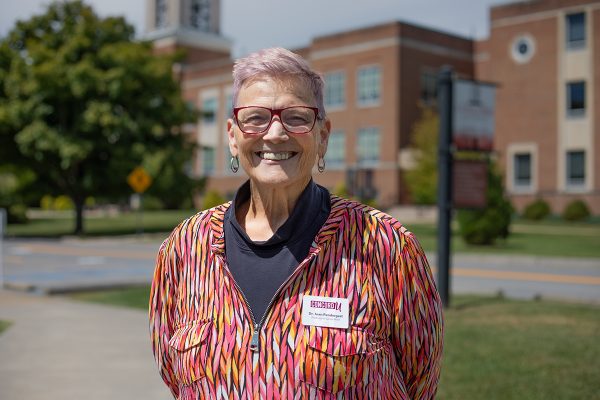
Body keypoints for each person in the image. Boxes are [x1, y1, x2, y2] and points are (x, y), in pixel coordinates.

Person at [149, 47, 443, 399]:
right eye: (255, 117)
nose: (274, 133)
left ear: (322, 136)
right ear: (232, 135)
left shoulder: (385, 245)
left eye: (296, 116)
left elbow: (419, 381)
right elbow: (172, 372)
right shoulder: (183, 249)